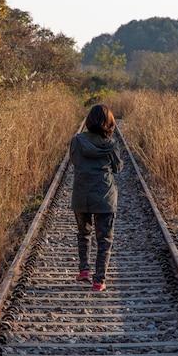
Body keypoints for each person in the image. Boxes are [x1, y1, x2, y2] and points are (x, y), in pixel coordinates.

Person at [70, 104, 123, 292]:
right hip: (104, 196)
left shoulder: (76, 141)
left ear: (88, 121)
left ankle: (84, 270)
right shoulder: (112, 144)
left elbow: (75, 161)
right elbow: (117, 169)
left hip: (81, 194)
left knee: (84, 233)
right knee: (104, 240)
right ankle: (99, 281)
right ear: (109, 123)